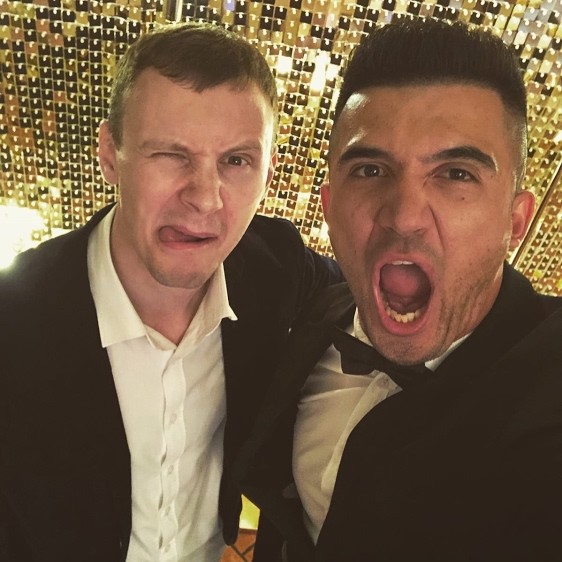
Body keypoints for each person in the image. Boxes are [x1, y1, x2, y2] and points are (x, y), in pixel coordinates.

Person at [0, 23, 342, 562]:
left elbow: (362, 295)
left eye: (236, 160)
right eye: (169, 154)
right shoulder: (15, 317)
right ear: (110, 155)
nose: (205, 199)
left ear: (267, 171)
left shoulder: (275, 265)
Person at [238, 19, 562, 562]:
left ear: (515, 221)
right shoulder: (321, 311)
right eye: (370, 170)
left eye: (456, 174)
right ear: (329, 208)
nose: (405, 216)